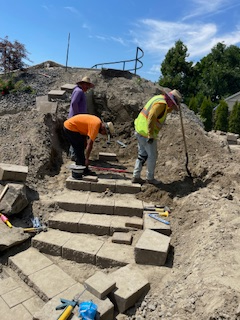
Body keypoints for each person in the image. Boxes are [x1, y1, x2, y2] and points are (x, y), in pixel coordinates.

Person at [132, 89, 182, 185]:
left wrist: (169, 109)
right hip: (147, 133)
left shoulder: (158, 99)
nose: (173, 107)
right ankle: (150, 178)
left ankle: (136, 176)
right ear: (171, 100)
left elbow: (160, 113)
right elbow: (151, 117)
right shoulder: (161, 104)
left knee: (142, 154)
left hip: (139, 129)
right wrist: (150, 135)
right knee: (152, 156)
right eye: (173, 104)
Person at [68, 76, 94, 160]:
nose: (87, 88)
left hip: (76, 119)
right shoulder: (79, 91)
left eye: (88, 86)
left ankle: (74, 154)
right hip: (76, 119)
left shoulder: (78, 91)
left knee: (76, 137)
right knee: (77, 138)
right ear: (82, 84)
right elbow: (74, 103)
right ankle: (74, 155)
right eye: (87, 86)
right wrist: (78, 116)